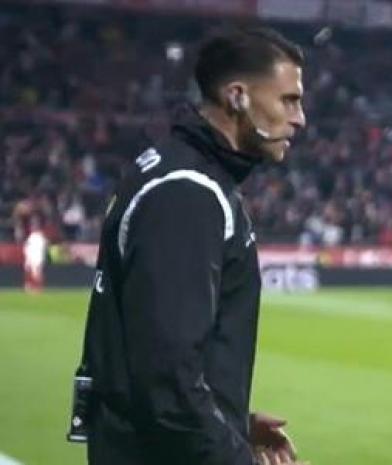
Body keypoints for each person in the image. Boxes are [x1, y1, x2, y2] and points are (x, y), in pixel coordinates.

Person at [69, 27, 309, 464]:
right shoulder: (188, 192)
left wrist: (233, 423)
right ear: (237, 96)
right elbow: (168, 385)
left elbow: (161, 369)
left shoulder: (180, 170)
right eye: (288, 100)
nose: (300, 118)